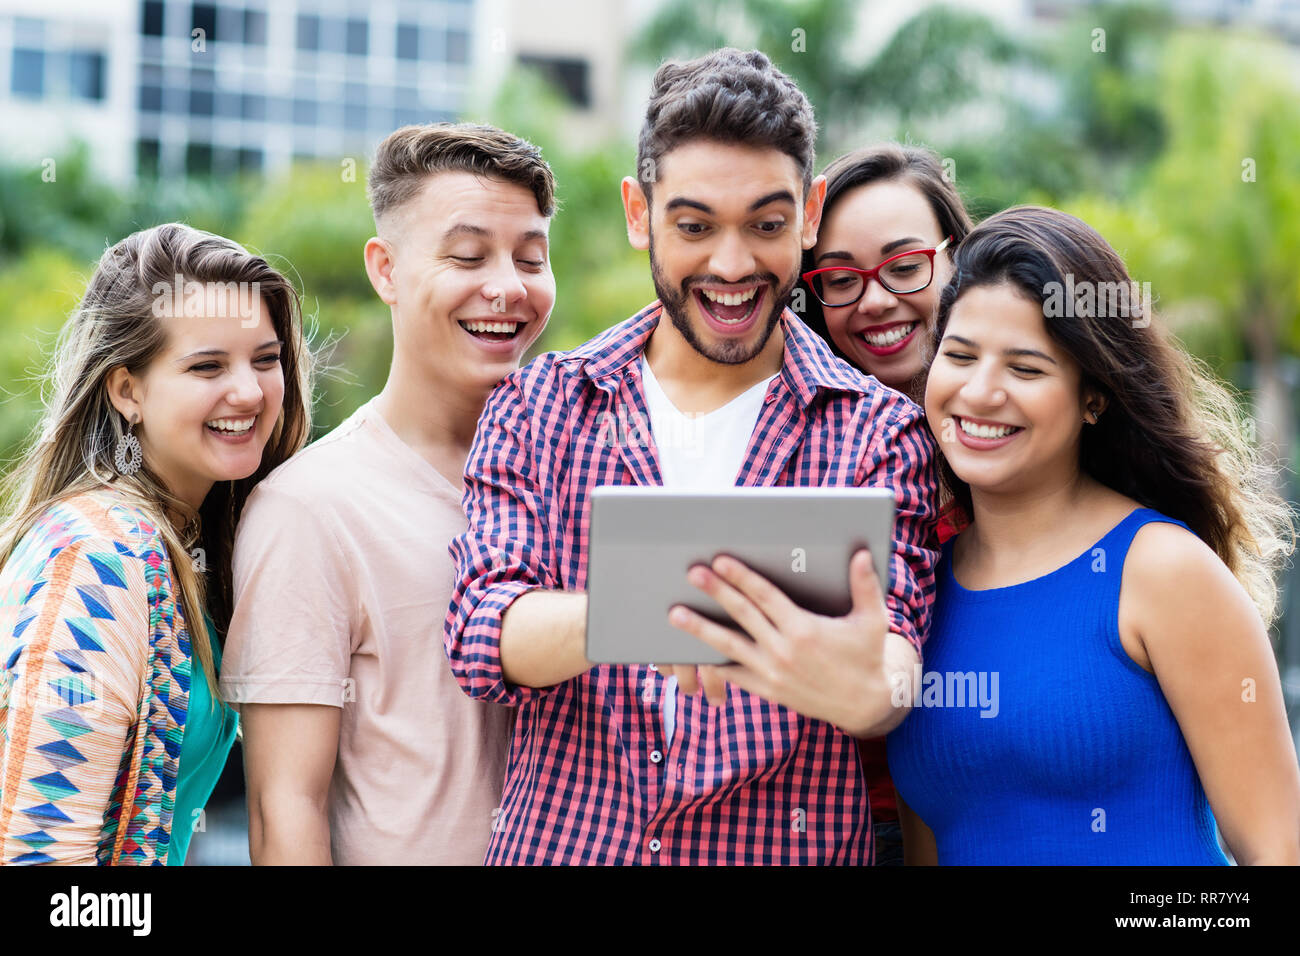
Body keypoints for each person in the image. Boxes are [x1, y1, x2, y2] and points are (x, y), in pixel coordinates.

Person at [444, 48, 939, 865]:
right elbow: (481, 633)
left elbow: (890, 673)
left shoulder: (877, 431)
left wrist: (861, 681)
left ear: (811, 214)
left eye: (768, 225)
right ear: (640, 214)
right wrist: (651, 605)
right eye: (695, 225)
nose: (734, 265)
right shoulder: (538, 406)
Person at [885, 205, 1300, 864]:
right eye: (959, 356)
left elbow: (1278, 852)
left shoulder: (1161, 570)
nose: (981, 391)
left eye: (1026, 368)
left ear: (1093, 396)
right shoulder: (914, 585)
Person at [221, 123, 554, 865]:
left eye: (531, 257)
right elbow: (285, 811)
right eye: (467, 256)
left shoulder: (579, 476)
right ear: (387, 269)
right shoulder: (310, 508)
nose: (508, 286)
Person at [0, 223, 312, 864]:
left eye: (265, 357)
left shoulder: (195, 547)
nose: (250, 392)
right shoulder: (97, 557)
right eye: (207, 366)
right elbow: (38, 855)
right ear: (127, 390)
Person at [796, 142, 973, 865]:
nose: (875, 301)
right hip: (843, 828)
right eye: (841, 279)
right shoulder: (789, 448)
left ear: (956, 259)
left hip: (998, 811)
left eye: (905, 267)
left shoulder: (1032, 436)